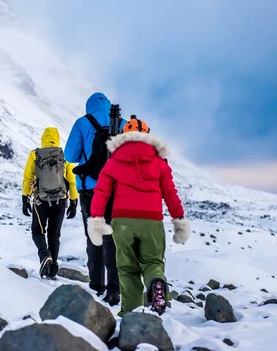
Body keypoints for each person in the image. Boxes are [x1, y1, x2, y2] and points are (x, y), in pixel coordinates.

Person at [87, 116, 190, 316]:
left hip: (122, 222)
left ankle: (130, 314)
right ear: (147, 135)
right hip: (151, 221)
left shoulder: (114, 160)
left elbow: (101, 192)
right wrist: (178, 220)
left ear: (124, 135)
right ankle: (156, 284)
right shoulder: (159, 162)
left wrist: (97, 219)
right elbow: (170, 193)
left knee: (127, 269)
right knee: (153, 263)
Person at [64, 92, 124, 306]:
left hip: (90, 190)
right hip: (118, 190)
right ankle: (116, 289)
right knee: (113, 239)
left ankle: (97, 286)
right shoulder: (123, 123)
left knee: (94, 236)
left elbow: (70, 155)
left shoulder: (83, 122)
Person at [22, 127, 79, 279]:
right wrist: (74, 202)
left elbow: (28, 178)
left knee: (37, 232)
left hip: (41, 201)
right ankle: (52, 269)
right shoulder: (64, 155)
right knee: (54, 235)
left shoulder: (35, 155)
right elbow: (72, 181)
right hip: (60, 201)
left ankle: (44, 256)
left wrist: (25, 199)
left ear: (43, 138)